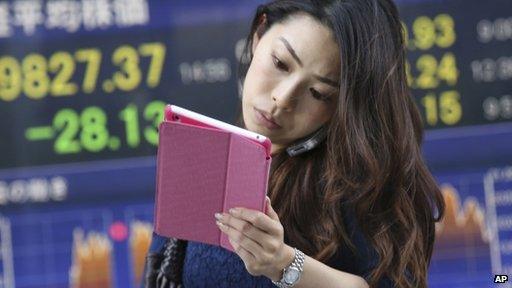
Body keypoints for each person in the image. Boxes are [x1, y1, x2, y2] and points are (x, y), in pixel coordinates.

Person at [142, 0, 445, 287]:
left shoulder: (363, 185)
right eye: (281, 63)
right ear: (259, 34)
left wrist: (283, 263)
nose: (283, 99)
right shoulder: (204, 158)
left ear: (344, 105)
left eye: (318, 93)